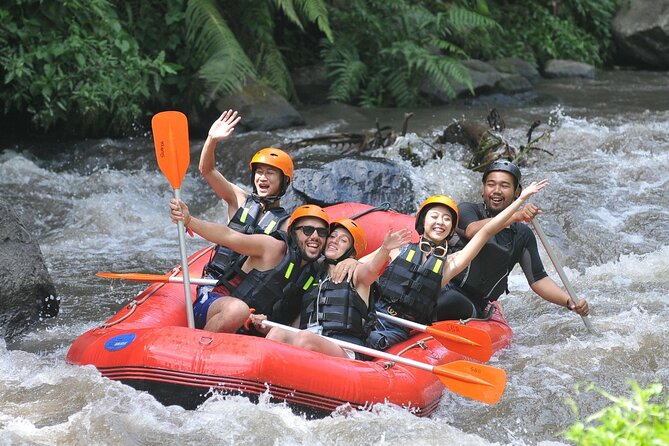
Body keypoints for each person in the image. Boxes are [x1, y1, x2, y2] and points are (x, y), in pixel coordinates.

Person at [366, 178, 549, 351]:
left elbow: (486, 231)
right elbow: (360, 272)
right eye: (435, 216)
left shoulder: (450, 265)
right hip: (372, 315)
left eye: (446, 219)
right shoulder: (395, 248)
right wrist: (350, 261)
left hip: (395, 330)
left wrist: (521, 199)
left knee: (370, 340)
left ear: (451, 229)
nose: (440, 222)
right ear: (423, 221)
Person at [435, 160, 589, 321]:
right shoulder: (467, 210)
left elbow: (538, 279)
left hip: (474, 303)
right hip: (444, 286)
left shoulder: (522, 235)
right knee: (441, 297)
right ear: (483, 189)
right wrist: (516, 216)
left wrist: (568, 301)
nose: (496, 191)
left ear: (517, 192)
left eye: (504, 186)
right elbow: (473, 231)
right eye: (491, 184)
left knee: (449, 301)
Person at [252, 218, 412, 359]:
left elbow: (371, 270)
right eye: (333, 236)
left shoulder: (357, 273)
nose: (334, 241)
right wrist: (269, 326)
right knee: (277, 333)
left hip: (345, 348)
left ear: (351, 252)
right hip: (311, 338)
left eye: (343, 240)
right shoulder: (313, 277)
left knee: (305, 339)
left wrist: (385, 249)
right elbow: (299, 324)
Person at [170, 200, 329, 334]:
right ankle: (198, 349)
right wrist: (190, 221)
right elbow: (228, 236)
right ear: (293, 233)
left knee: (276, 332)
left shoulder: (315, 273)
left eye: (321, 232)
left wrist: (267, 327)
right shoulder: (272, 248)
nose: (315, 236)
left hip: (250, 331)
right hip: (214, 308)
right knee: (238, 310)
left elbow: (293, 327)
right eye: (308, 230)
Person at [198, 109, 294, 283]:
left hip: (246, 291)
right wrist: (211, 139)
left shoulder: (287, 224)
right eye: (259, 172)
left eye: (270, 173)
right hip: (214, 279)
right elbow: (207, 170)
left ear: (284, 182)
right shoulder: (239, 199)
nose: (262, 178)